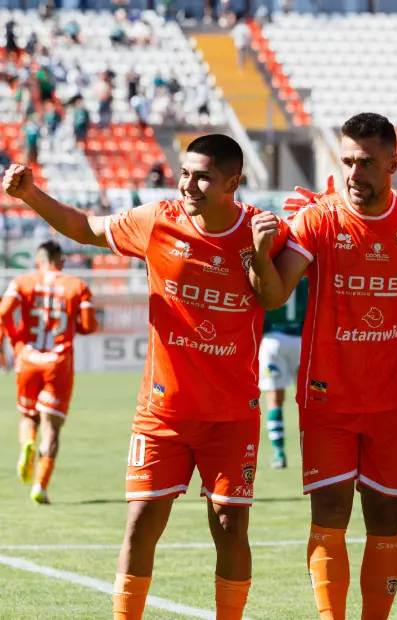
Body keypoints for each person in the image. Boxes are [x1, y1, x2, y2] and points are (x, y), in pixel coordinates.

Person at [2, 134, 289, 620]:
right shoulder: (156, 220)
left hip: (231, 415)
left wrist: (261, 254)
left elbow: (274, 296)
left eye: (203, 176)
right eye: (184, 172)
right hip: (162, 414)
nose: (188, 185)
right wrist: (31, 195)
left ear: (233, 183)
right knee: (140, 521)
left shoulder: (263, 233)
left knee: (229, 524)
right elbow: (87, 227)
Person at [248, 112, 397, 620]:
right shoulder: (317, 219)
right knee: (329, 514)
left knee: (386, 519)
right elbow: (272, 295)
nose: (356, 173)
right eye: (348, 161)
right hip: (327, 394)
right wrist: (260, 257)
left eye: (368, 162)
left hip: (393, 398)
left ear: (393, 163)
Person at [0, 240, 98, 504]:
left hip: (28, 357)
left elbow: (3, 312)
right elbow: (89, 327)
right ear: (61, 261)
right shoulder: (77, 286)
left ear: (38, 261)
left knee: (27, 416)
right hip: (58, 361)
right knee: (52, 427)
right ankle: (40, 486)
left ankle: (26, 446)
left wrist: (15, 338)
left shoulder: (23, 281)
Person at [258, 278, 307, 469]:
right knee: (309, 401)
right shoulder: (303, 275)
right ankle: (312, 453)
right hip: (301, 339)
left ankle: (279, 453)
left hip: (273, 341)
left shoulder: (270, 273)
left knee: (274, 400)